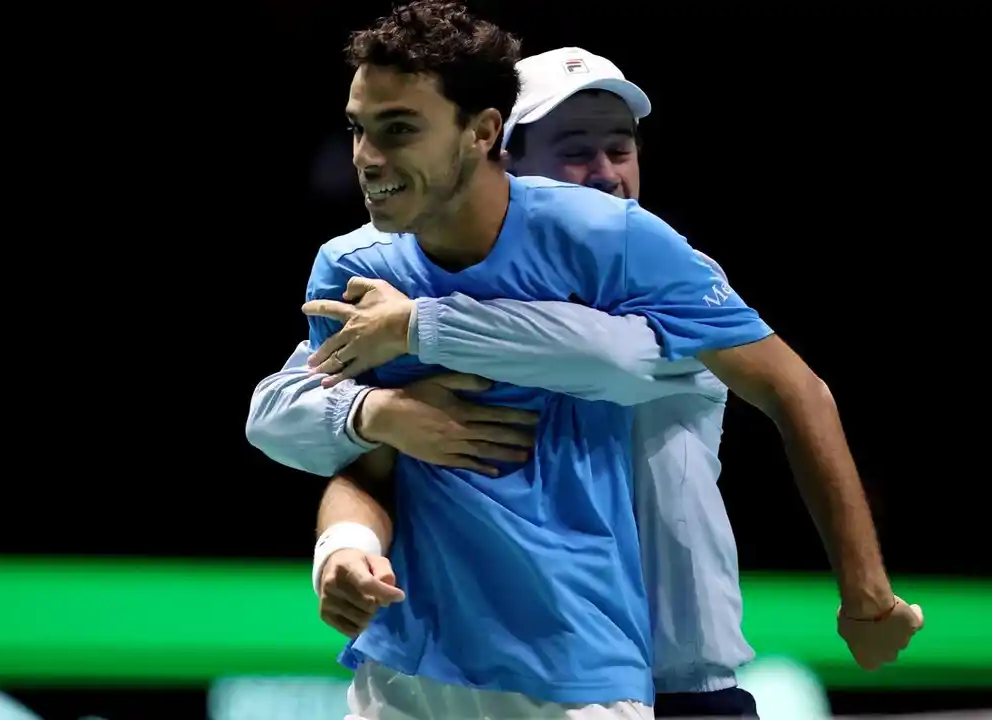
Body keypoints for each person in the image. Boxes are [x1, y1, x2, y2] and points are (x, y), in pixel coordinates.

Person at [248, 2, 920, 716]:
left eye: (619, 147)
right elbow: (302, 424)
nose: (603, 177)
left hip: (658, 665)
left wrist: (421, 328)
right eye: (575, 148)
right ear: (503, 149)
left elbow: (613, 358)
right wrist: (366, 443)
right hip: (416, 662)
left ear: (482, 135)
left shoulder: (636, 257)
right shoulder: (361, 267)